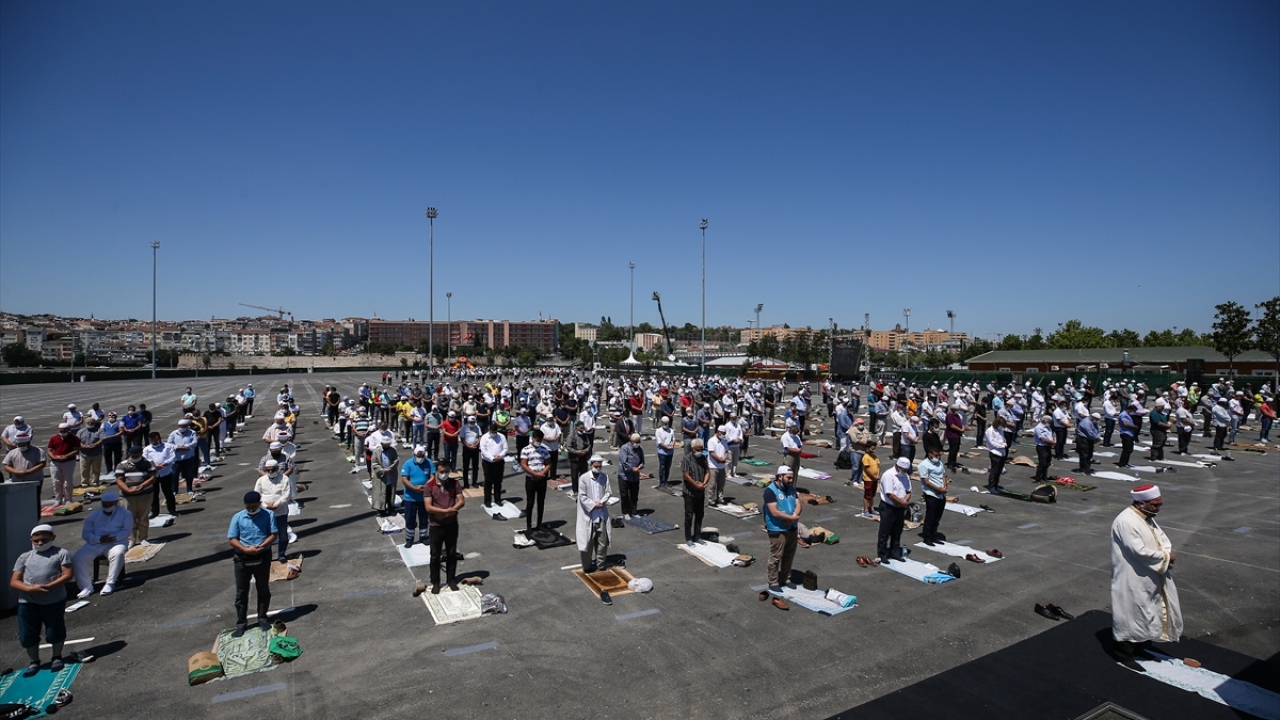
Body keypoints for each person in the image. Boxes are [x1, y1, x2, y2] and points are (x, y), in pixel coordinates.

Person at [1110, 484, 1183, 671]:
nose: (1159, 508)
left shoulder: (1146, 517)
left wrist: (1165, 554)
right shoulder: (1126, 521)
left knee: (1148, 612)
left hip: (1149, 575)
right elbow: (1139, 551)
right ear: (1141, 503)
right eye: (1155, 504)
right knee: (1131, 614)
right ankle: (1123, 654)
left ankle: (1139, 648)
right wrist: (1166, 557)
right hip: (1132, 577)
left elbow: (1161, 539)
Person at [10, 524, 73, 677]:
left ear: (53, 538)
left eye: (44, 540)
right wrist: (30, 589)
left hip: (53, 601)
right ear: (31, 540)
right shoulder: (24, 557)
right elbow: (14, 581)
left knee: (54, 629)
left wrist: (49, 586)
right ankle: (34, 661)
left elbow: (67, 574)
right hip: (28, 602)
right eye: (36, 540)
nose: (40, 543)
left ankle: (56, 657)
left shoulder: (61, 553)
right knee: (27, 634)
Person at [228, 492, 277, 637]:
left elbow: (273, 534)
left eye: (254, 506)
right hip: (242, 557)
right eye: (248, 507)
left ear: (259, 503)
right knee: (241, 592)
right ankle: (241, 623)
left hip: (262, 554)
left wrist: (261, 547)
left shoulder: (268, 515)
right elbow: (232, 538)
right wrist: (245, 549)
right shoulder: (238, 517)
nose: (251, 509)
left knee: (262, 588)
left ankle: (262, 618)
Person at [72, 492, 132, 597]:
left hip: (117, 542)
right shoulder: (93, 516)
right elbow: (86, 534)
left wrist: (113, 538)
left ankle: (110, 583)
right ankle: (86, 586)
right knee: (78, 557)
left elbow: (126, 531)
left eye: (110, 504)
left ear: (116, 503)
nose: (107, 507)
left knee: (117, 554)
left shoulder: (125, 514)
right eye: (105, 504)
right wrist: (99, 539)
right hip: (96, 543)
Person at [424, 462, 464, 593]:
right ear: (436, 471)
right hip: (436, 526)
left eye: (446, 471)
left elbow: (461, 501)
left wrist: (452, 509)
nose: (444, 474)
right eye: (441, 471)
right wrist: (446, 512)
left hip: (452, 524)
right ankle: (435, 581)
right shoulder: (429, 486)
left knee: (451, 553)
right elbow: (428, 507)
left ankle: (451, 579)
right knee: (435, 555)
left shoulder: (455, 483)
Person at [764, 465, 801, 592]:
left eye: (792, 478)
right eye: (788, 478)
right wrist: (790, 518)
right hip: (777, 529)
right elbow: (774, 512)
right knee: (776, 557)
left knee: (789, 555)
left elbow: (798, 504)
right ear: (780, 477)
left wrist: (795, 516)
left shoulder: (791, 489)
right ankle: (773, 581)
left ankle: (786, 578)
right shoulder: (770, 491)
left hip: (791, 528)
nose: (791, 480)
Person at [576, 454, 613, 573]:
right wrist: (593, 504)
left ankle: (600, 564)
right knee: (587, 542)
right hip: (589, 515)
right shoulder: (584, 478)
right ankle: (587, 566)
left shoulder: (604, 477)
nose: (598, 468)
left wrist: (601, 502)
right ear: (591, 465)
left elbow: (608, 492)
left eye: (599, 466)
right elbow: (582, 496)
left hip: (601, 514)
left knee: (602, 541)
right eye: (596, 466)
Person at [254, 459, 295, 562]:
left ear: (277, 468)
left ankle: (281, 555)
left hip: (281, 511)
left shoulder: (284, 479)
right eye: (268, 470)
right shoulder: (261, 480)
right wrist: (265, 506)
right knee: (265, 536)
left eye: (273, 469)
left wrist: (276, 505)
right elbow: (257, 495)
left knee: (283, 535)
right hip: (265, 512)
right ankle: (267, 556)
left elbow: (286, 495)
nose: (270, 472)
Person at [877, 457, 913, 563]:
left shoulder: (905, 476)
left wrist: (904, 501)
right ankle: (882, 554)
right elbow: (890, 494)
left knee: (897, 531)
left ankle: (895, 552)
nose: (905, 471)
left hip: (900, 507)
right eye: (904, 469)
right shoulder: (888, 475)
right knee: (885, 531)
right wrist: (902, 503)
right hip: (888, 507)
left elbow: (908, 491)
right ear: (898, 466)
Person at [400, 445, 434, 548]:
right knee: (410, 518)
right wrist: (414, 488)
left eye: (421, 455)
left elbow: (432, 477)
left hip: (424, 497)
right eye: (418, 456)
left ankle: (423, 537)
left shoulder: (429, 463)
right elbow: (404, 479)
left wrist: (426, 486)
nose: (420, 457)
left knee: (424, 518)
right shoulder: (408, 464)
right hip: (410, 497)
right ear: (414, 455)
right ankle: (409, 539)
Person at [518, 428, 551, 529]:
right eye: (537, 440)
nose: (538, 442)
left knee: (541, 502)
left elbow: (548, 463)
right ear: (533, 439)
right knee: (530, 502)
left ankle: (539, 524)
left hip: (541, 479)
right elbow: (524, 464)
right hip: (531, 479)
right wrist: (534, 474)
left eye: (540, 440)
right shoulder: (526, 450)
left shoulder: (544, 450)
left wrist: (542, 473)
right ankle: (529, 526)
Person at [143, 431, 177, 518]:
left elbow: (172, 457)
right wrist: (154, 466)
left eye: (156, 439)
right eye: (153, 440)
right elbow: (145, 460)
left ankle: (172, 510)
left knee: (168, 492)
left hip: (166, 473)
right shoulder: (147, 449)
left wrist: (163, 464)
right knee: (154, 494)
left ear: (159, 438)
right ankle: (154, 512)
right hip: (153, 474)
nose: (155, 441)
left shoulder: (168, 447)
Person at [918, 447, 948, 545]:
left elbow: (943, 476)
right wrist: (938, 489)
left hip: (941, 494)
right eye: (936, 455)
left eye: (939, 455)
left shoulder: (939, 463)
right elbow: (926, 482)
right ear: (930, 454)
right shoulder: (923, 465)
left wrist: (945, 487)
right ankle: (927, 537)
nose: (938, 457)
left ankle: (933, 535)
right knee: (930, 517)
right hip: (931, 494)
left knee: (937, 517)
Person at [681, 439, 709, 544]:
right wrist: (696, 485)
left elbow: (707, 472)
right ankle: (688, 538)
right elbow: (686, 476)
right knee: (689, 515)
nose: (700, 451)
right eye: (698, 450)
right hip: (689, 492)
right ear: (693, 449)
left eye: (701, 449)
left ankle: (697, 536)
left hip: (700, 492)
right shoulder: (687, 459)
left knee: (700, 514)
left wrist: (704, 483)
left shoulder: (703, 458)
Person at [47, 423, 81, 506]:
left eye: (64, 430)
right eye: (60, 430)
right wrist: (54, 457)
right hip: (55, 462)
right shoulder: (54, 438)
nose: (62, 432)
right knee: (56, 482)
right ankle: (58, 499)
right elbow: (49, 449)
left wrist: (66, 456)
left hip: (68, 462)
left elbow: (77, 450)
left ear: (68, 430)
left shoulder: (74, 438)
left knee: (67, 482)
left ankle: (68, 499)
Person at [480, 421, 508, 506]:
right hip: (488, 462)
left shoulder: (501, 436)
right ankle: (487, 500)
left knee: (498, 481)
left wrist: (500, 456)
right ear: (489, 430)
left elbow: (505, 448)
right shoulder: (484, 437)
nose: (494, 433)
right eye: (492, 432)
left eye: (495, 432)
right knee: (488, 481)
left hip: (499, 462)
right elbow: (484, 450)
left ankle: (497, 499)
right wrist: (492, 458)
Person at [617, 432, 644, 520]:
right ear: (631, 441)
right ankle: (626, 512)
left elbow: (642, 461)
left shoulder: (640, 449)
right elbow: (624, 463)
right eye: (636, 442)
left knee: (634, 494)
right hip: (624, 475)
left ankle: (633, 511)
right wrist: (632, 469)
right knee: (624, 495)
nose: (637, 444)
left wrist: (639, 467)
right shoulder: (624, 448)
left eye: (638, 442)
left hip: (635, 476)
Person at [169, 418, 200, 494]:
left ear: (187, 426)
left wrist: (186, 446)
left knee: (189, 474)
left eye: (183, 426)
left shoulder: (192, 433)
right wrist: (177, 447)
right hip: (176, 459)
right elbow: (169, 444)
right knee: (174, 475)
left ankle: (189, 489)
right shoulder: (173, 433)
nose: (181, 428)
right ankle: (174, 490)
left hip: (188, 458)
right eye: (180, 426)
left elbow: (194, 443)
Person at [371, 434, 400, 517]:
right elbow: (374, 463)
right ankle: (381, 509)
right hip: (381, 476)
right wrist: (382, 470)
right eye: (385, 444)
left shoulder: (393, 451)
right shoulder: (377, 451)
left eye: (388, 444)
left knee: (390, 492)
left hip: (390, 475)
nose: (386, 446)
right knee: (380, 492)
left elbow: (396, 460)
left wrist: (390, 468)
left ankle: (391, 508)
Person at [77, 415, 106, 490]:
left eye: (91, 422)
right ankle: (84, 482)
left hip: (96, 453)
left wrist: (94, 445)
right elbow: (77, 441)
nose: (90, 424)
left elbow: (102, 439)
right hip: (84, 454)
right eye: (88, 422)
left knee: (96, 469)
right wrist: (83, 446)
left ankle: (95, 482)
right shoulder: (81, 431)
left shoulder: (99, 430)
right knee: (84, 469)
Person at [706, 425, 728, 507]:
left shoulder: (724, 440)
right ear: (718, 432)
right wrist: (719, 459)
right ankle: (710, 499)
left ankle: (720, 497)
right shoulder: (712, 441)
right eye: (723, 433)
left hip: (721, 465)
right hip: (713, 465)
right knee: (712, 483)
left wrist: (724, 459)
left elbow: (726, 451)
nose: (724, 435)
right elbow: (711, 452)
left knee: (721, 483)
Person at [984, 416, 1008, 493]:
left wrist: (1004, 443)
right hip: (995, 453)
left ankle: (996, 485)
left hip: (1002, 453)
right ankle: (991, 487)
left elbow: (1003, 439)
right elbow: (992, 443)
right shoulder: (989, 431)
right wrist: (1002, 445)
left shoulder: (1000, 430)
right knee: (994, 471)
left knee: (999, 471)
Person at [860, 442, 881, 519]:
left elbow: (878, 466)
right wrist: (873, 476)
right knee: (867, 495)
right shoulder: (866, 457)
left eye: (874, 448)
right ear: (867, 448)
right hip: (868, 479)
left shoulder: (875, 456)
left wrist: (878, 475)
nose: (874, 450)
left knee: (872, 494)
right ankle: (866, 510)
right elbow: (867, 469)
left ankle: (871, 508)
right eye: (872, 448)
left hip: (875, 478)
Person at [1033, 415, 1055, 482]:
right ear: (1045, 420)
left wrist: (1052, 441)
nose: (1050, 423)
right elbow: (1043, 439)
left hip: (1047, 446)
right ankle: (1038, 478)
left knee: (1047, 462)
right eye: (1049, 421)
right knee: (1042, 463)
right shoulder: (1038, 428)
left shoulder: (1048, 427)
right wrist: (1054, 443)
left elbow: (1050, 435)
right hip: (1041, 447)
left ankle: (1044, 477)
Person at [1117, 403, 1139, 468]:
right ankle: (1122, 463)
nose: (1133, 412)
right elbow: (1125, 424)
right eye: (1133, 411)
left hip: (1130, 433)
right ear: (1130, 409)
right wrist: (1134, 427)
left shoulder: (1127, 414)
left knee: (1129, 449)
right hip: (1126, 433)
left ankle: (1126, 462)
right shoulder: (1124, 415)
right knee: (1126, 449)